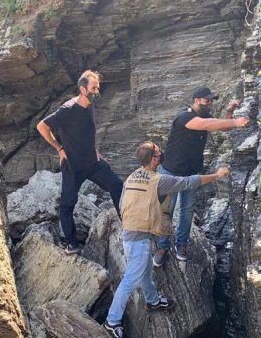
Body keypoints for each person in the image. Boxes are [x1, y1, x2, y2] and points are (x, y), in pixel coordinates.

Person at [103, 141, 230, 338]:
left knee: (144, 272)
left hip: (129, 232)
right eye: (157, 151)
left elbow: (121, 203)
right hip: (138, 238)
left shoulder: (132, 176)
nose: (160, 151)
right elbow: (189, 182)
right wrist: (217, 175)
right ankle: (111, 321)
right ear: (154, 159)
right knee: (130, 279)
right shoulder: (159, 181)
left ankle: (152, 300)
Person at [153, 87, 249, 266]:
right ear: (196, 100)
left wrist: (229, 112)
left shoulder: (203, 117)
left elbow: (222, 127)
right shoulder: (184, 117)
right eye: (207, 101)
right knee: (167, 211)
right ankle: (162, 246)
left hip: (192, 171)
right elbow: (206, 125)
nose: (210, 103)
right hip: (171, 172)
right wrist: (236, 122)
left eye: (212, 101)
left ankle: (181, 245)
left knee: (187, 211)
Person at [37, 70, 123, 255]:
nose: (97, 91)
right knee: (67, 204)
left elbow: (87, 131)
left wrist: (95, 150)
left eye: (98, 87)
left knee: (117, 186)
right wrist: (59, 149)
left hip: (92, 163)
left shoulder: (90, 106)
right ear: (83, 89)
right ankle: (72, 243)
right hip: (73, 167)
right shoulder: (67, 110)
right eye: (93, 88)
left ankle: (126, 223)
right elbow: (42, 126)